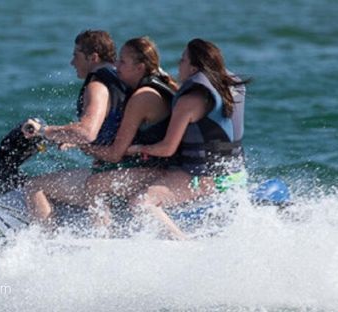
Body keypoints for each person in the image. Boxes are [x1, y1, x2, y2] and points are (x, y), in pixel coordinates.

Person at [88, 38, 249, 240]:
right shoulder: (229, 87)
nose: (178, 64)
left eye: (183, 60)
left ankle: (182, 244)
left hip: (208, 179)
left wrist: (137, 149)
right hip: (235, 174)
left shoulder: (189, 102)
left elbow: (166, 149)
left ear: (193, 68)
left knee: (141, 203)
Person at [20, 29, 129, 225]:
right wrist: (69, 140)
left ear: (93, 57)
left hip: (112, 174)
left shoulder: (97, 85)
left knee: (34, 187)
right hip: (126, 169)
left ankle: (46, 246)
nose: (72, 63)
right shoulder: (119, 78)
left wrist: (44, 130)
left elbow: (87, 132)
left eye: (76, 55)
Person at [77, 37, 179, 230]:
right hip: (161, 165)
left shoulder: (142, 98)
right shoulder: (154, 85)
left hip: (161, 170)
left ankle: (102, 238)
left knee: (95, 183)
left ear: (139, 68)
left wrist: (82, 146)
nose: (116, 65)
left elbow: (115, 154)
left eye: (122, 61)